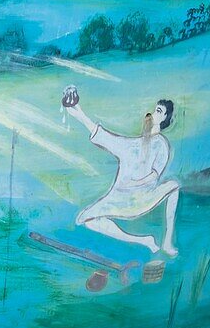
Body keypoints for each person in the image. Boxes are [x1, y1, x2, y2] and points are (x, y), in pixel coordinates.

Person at [65, 94, 180, 257]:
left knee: (174, 186)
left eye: (158, 111)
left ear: (164, 117)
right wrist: (79, 113)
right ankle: (143, 240)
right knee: (88, 220)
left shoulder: (161, 144)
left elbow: (155, 175)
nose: (152, 114)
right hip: (121, 199)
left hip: (144, 197)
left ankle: (167, 242)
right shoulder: (133, 145)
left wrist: (135, 183)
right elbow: (105, 137)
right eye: (155, 110)